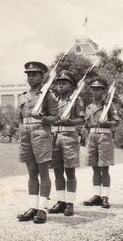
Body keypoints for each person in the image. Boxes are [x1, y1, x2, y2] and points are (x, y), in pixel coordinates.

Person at [16, 61, 58, 224]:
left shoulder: (48, 95)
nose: (31, 77)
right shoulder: (23, 95)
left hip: (41, 132)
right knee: (32, 172)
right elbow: (20, 118)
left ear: (42, 77)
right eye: (29, 75)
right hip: (26, 134)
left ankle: (42, 209)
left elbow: (54, 118)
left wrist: (42, 118)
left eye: (34, 74)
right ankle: (33, 207)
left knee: (43, 172)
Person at [48, 70, 85, 216]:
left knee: (70, 171)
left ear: (71, 85)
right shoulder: (54, 101)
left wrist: (69, 121)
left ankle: (70, 203)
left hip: (69, 136)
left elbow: (81, 120)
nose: (60, 86)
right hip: (55, 136)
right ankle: (61, 201)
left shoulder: (76, 100)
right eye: (59, 83)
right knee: (57, 171)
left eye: (64, 83)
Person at [83, 78, 119, 209]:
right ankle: (96, 195)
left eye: (98, 89)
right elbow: (87, 125)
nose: (95, 92)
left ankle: (105, 197)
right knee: (94, 167)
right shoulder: (89, 107)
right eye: (93, 89)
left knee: (104, 167)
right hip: (92, 137)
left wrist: (107, 123)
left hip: (104, 136)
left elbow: (116, 122)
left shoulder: (108, 106)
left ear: (104, 91)